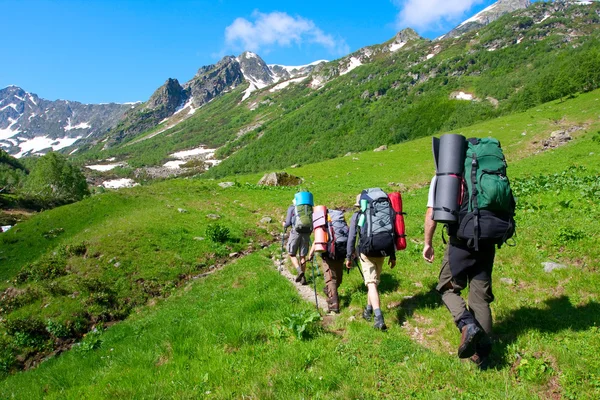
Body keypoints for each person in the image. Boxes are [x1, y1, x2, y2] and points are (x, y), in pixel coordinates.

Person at [423, 175, 494, 369]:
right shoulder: (485, 171)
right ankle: (483, 353)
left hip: (460, 242)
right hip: (487, 239)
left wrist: (427, 243)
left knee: (447, 288)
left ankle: (466, 324)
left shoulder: (445, 174)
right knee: (480, 298)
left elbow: (432, 212)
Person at [346, 194, 396, 331]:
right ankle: (368, 311)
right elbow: (392, 232)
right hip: (382, 251)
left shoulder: (358, 216)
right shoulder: (382, 213)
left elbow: (352, 237)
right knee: (373, 281)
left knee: (371, 283)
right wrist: (393, 255)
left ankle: (379, 318)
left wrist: (349, 256)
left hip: (366, 252)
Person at [307, 210, 349, 314]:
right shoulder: (340, 220)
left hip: (328, 252)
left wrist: (311, 253)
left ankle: (334, 304)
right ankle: (332, 294)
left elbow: (318, 239)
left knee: (331, 278)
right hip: (341, 251)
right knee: (337, 277)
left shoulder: (322, 221)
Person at [283, 199, 309, 285]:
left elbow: (288, 223)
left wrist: (284, 224)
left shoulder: (292, 208)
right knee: (303, 256)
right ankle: (303, 277)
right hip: (306, 233)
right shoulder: (307, 208)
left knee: (292, 254)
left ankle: (299, 271)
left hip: (295, 232)